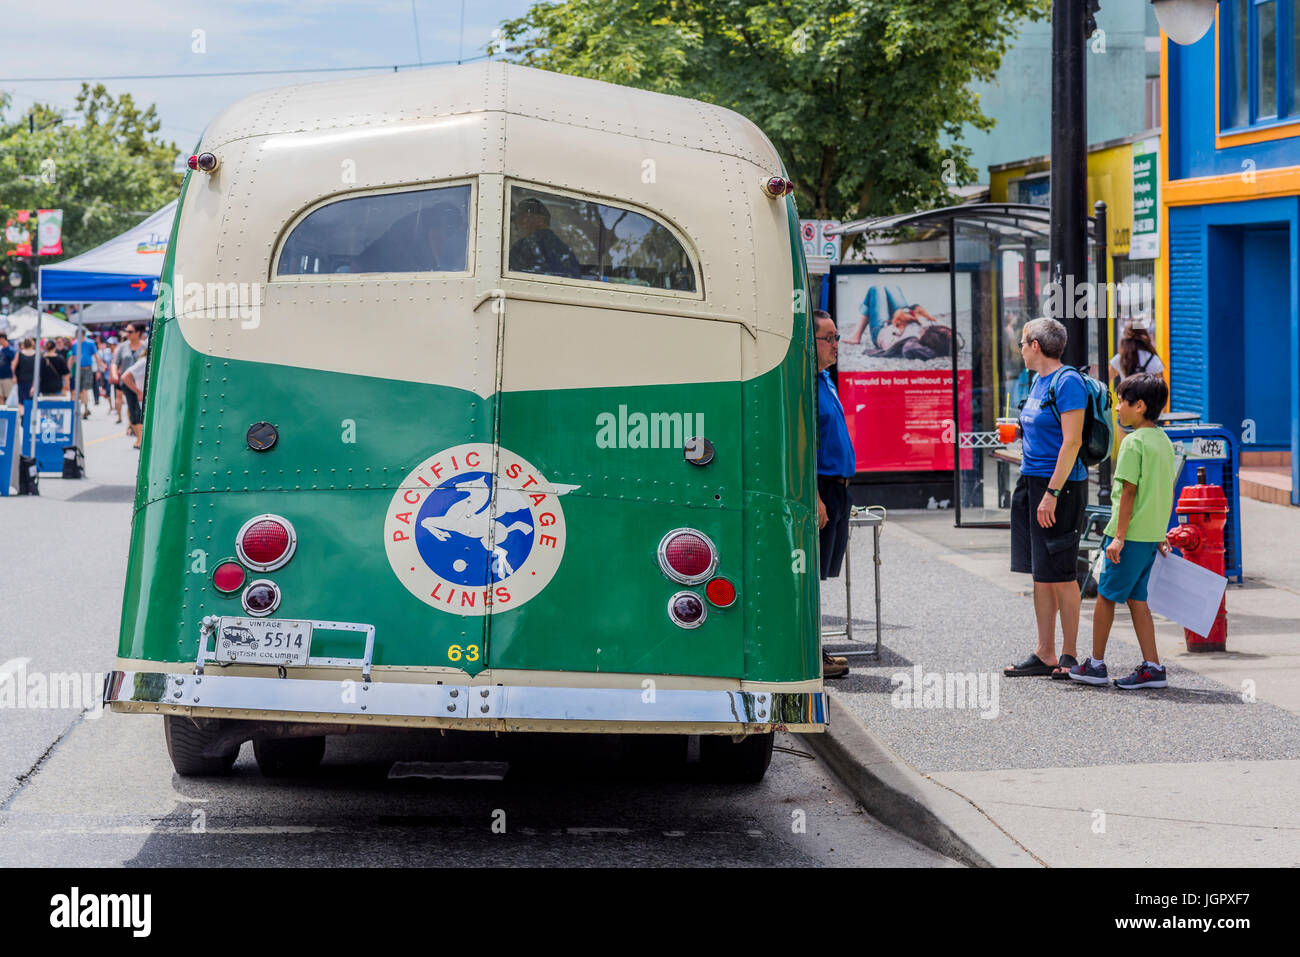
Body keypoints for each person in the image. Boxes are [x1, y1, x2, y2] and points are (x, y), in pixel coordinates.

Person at [1069, 373, 1176, 689]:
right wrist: (1159, 533)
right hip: (1148, 536)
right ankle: (1153, 667)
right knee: (1137, 599)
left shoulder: (1133, 443)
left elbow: (1128, 492)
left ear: (1139, 406)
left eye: (1121, 403)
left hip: (1127, 536)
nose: (1116, 409)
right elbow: (1161, 491)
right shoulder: (1163, 441)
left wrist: (1117, 537)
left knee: (1105, 594)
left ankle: (1096, 664)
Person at [1004, 317, 1089, 679]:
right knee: (1041, 573)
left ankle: (1069, 653)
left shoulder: (1068, 381)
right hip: (1032, 481)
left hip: (1060, 486)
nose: (1020, 349)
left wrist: (1052, 493)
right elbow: (1044, 428)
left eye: (1022, 343)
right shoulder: (1039, 382)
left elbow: (1072, 442)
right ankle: (1045, 651)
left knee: (1062, 571)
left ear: (1035, 345)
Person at [813, 310, 854, 679]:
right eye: (829, 338)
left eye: (837, 337)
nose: (836, 344)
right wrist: (815, 496)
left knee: (821, 574)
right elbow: (801, 445)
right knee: (809, 573)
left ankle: (815, 648)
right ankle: (812, 653)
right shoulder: (807, 384)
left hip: (839, 488)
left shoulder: (825, 380)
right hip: (822, 487)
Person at [508, 197, 581, 278]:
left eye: (521, 218)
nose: (516, 224)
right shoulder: (565, 249)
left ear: (540, 220)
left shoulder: (523, 247)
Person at [1109, 320, 1163, 390]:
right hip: (1148, 400)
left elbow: (1104, 383)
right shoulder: (1154, 359)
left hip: (1126, 400)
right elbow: (1161, 390)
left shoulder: (1119, 359)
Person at [111, 324, 146, 425]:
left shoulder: (145, 346)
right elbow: (115, 363)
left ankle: (135, 429)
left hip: (141, 383)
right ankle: (133, 427)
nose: (127, 334)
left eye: (130, 332)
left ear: (138, 333)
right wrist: (114, 374)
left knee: (139, 410)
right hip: (127, 382)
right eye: (126, 331)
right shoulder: (123, 346)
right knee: (132, 407)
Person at [121, 347, 148, 449]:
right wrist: (138, 391)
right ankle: (140, 440)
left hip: (141, 395)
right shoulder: (144, 361)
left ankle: (139, 440)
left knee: (136, 416)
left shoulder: (144, 360)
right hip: (140, 396)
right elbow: (125, 376)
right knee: (137, 416)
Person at [72, 329, 96, 417]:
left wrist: (100, 369)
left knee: (84, 389)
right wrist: (70, 369)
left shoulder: (90, 343)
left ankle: (85, 408)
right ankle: (85, 408)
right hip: (79, 369)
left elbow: (96, 355)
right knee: (80, 390)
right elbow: (73, 357)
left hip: (87, 369)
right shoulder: (75, 344)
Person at [0, 334, 14, 405]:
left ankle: (8, 415)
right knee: (0, 397)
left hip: (8, 377)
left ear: (3, 339)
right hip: (0, 377)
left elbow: (14, 364)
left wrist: (14, 376)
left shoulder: (11, 350)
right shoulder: (1, 350)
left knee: (8, 397)